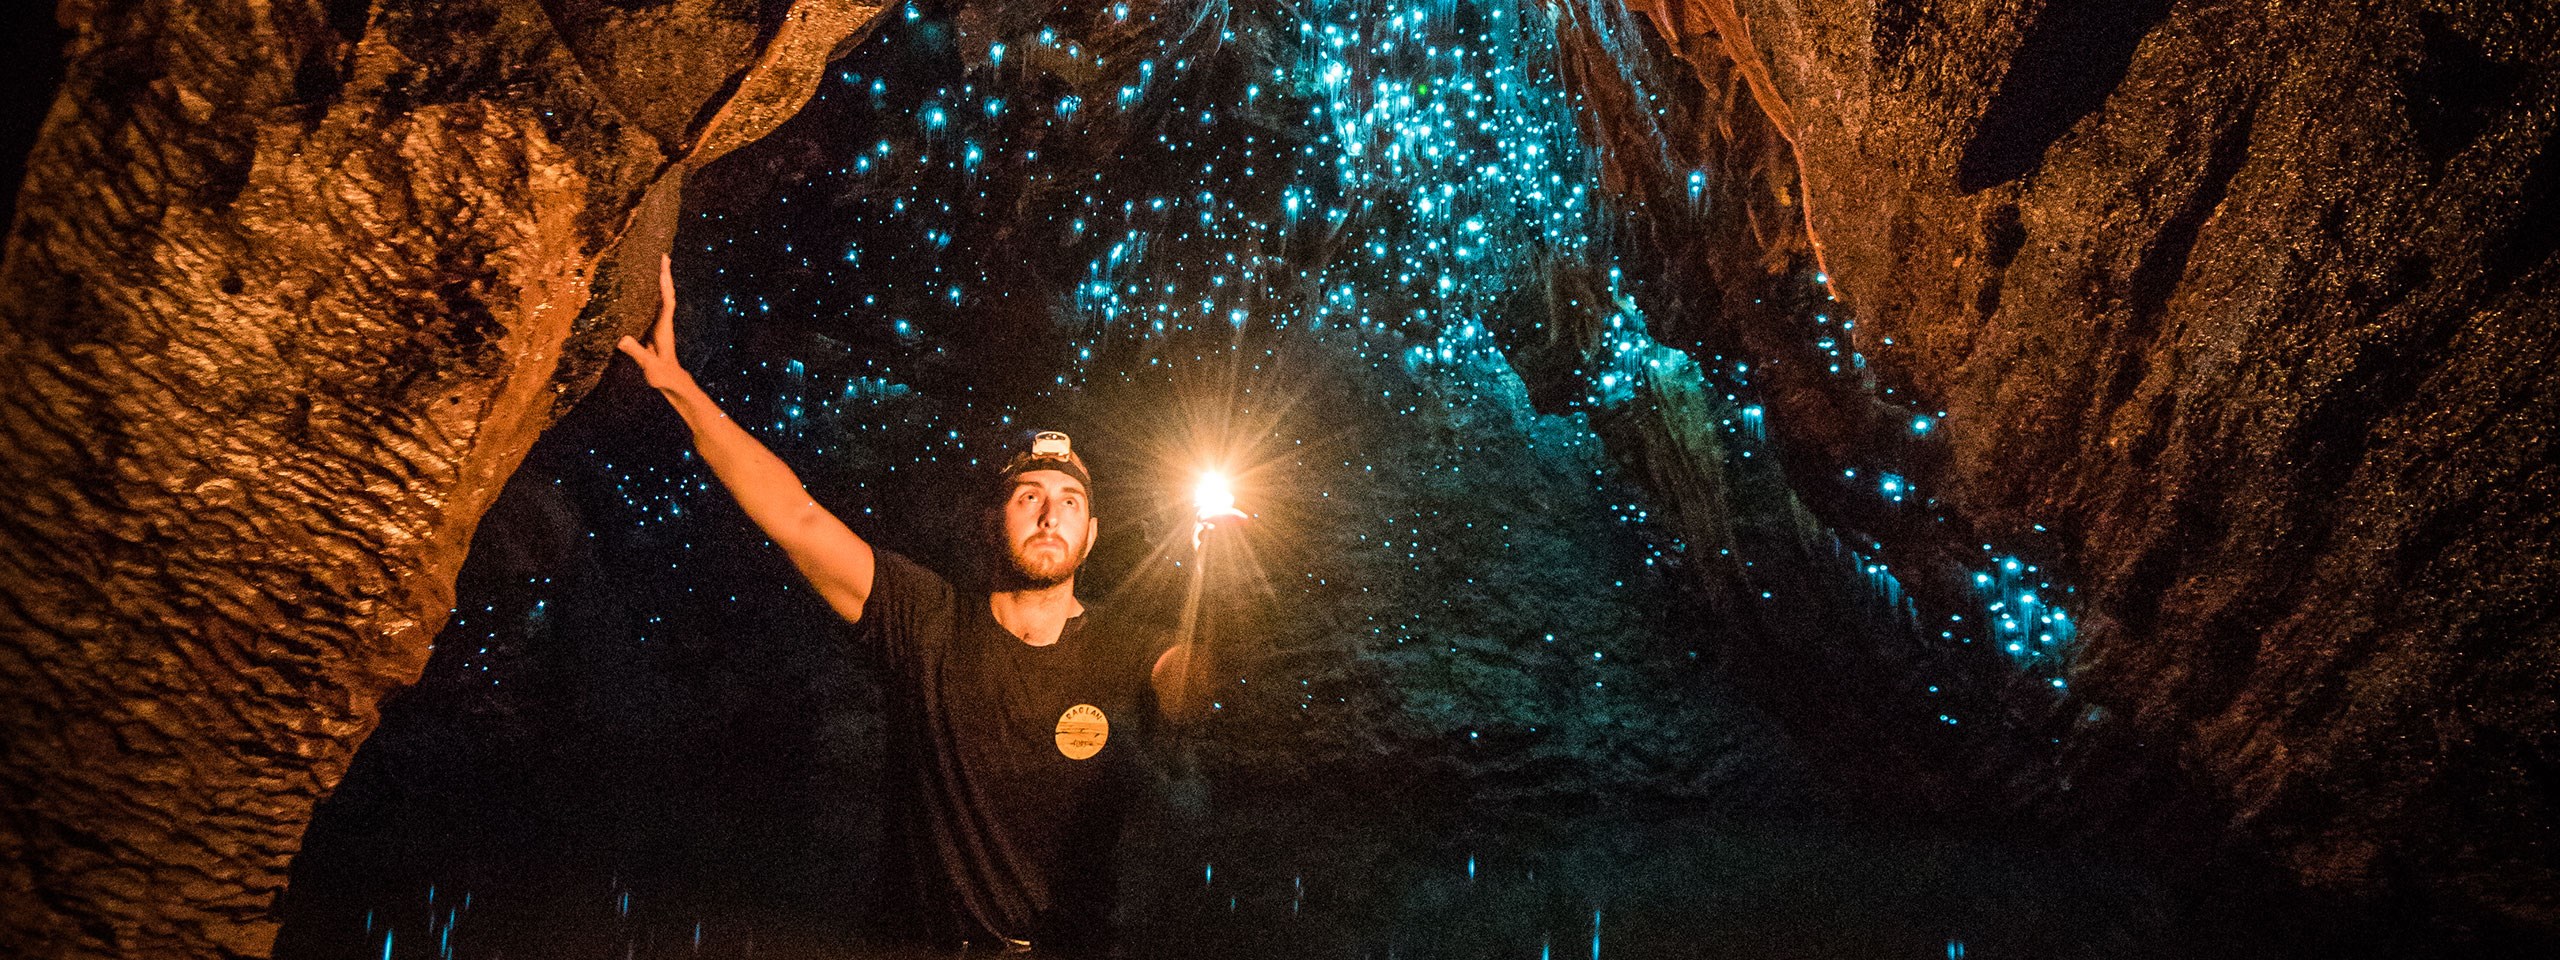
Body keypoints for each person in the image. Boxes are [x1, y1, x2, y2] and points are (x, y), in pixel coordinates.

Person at [616, 255, 1216, 956]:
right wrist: (680, 386)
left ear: (1091, 536)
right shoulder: (925, 619)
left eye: (1069, 503)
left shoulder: (1127, 649)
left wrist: (1217, 578)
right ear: (995, 521)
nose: (1050, 515)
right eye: (1030, 497)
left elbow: (1190, 687)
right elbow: (797, 518)